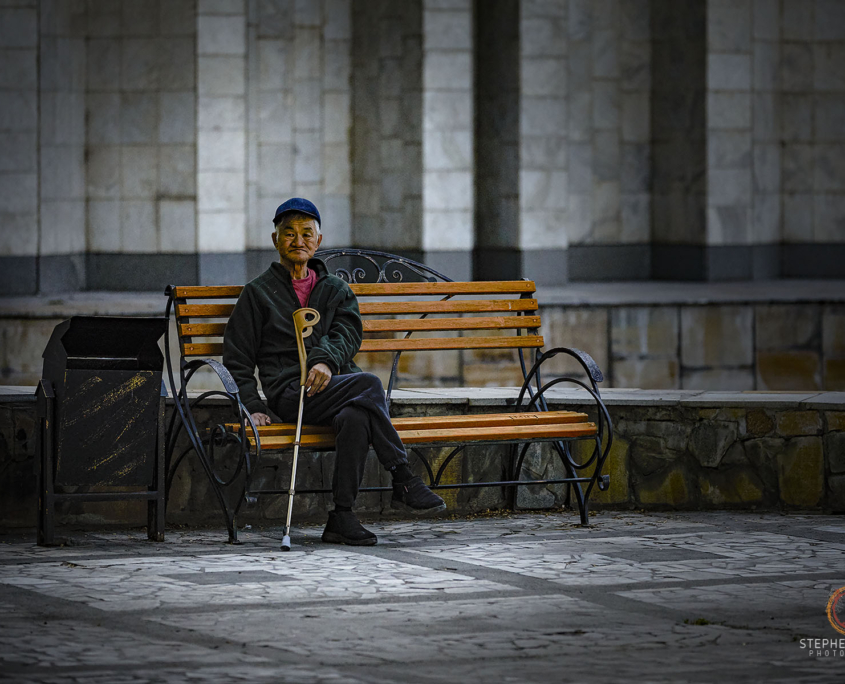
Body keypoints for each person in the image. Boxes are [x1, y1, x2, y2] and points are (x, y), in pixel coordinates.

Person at [223, 197, 445, 546]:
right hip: (291, 394)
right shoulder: (257, 294)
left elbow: (348, 334)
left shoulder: (336, 290)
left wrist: (324, 360)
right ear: (275, 239)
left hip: (335, 387)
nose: (299, 241)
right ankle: (402, 476)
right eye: (290, 233)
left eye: (307, 233)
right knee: (370, 384)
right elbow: (237, 358)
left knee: (356, 417)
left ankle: (342, 516)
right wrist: (252, 405)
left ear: (319, 241)